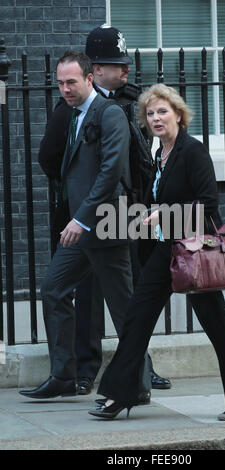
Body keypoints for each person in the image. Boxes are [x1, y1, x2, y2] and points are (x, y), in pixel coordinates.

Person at [88, 84, 225, 421]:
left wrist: (163, 214)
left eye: (162, 111)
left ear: (179, 115)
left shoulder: (193, 151)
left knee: (217, 326)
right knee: (137, 318)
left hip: (194, 251)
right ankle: (121, 395)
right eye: (150, 114)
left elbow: (208, 203)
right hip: (166, 249)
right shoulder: (158, 153)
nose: (155, 118)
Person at [37, 25, 171, 396]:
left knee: (127, 296)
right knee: (88, 296)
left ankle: (139, 373)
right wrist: (78, 200)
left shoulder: (130, 102)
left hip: (128, 214)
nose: (125, 70)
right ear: (94, 68)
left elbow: (145, 159)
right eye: (116, 64)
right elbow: (51, 159)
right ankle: (82, 370)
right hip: (88, 214)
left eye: (124, 64)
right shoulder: (69, 108)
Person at [18, 50, 138, 400]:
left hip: (109, 221)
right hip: (84, 225)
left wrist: (80, 218)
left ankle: (138, 382)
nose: (65, 89)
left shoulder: (109, 113)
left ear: (89, 78)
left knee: (124, 308)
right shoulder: (73, 115)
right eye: (60, 83)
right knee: (54, 288)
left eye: (71, 81)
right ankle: (64, 376)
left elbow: (112, 171)